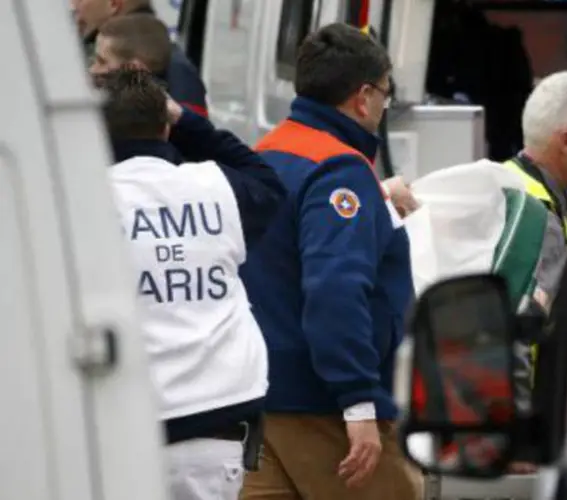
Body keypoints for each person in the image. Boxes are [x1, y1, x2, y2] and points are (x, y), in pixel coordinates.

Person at [239, 23, 423, 500]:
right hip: (324, 408)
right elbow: (334, 291)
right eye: (387, 93)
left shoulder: (265, 154)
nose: (386, 105)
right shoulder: (339, 169)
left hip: (260, 402)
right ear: (363, 97)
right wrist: (359, 402)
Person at [102, 68, 285, 500]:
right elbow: (263, 177)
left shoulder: (80, 198)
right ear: (166, 126)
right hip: (216, 426)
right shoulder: (217, 187)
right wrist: (187, 121)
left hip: (120, 428)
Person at [496, 70, 567, 473]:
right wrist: (516, 439)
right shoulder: (537, 216)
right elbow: (516, 330)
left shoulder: (515, 184)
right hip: (524, 435)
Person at [72, 0, 208, 115]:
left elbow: (194, 141)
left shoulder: (177, 72)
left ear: (113, 4)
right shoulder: (81, 51)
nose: (73, 6)